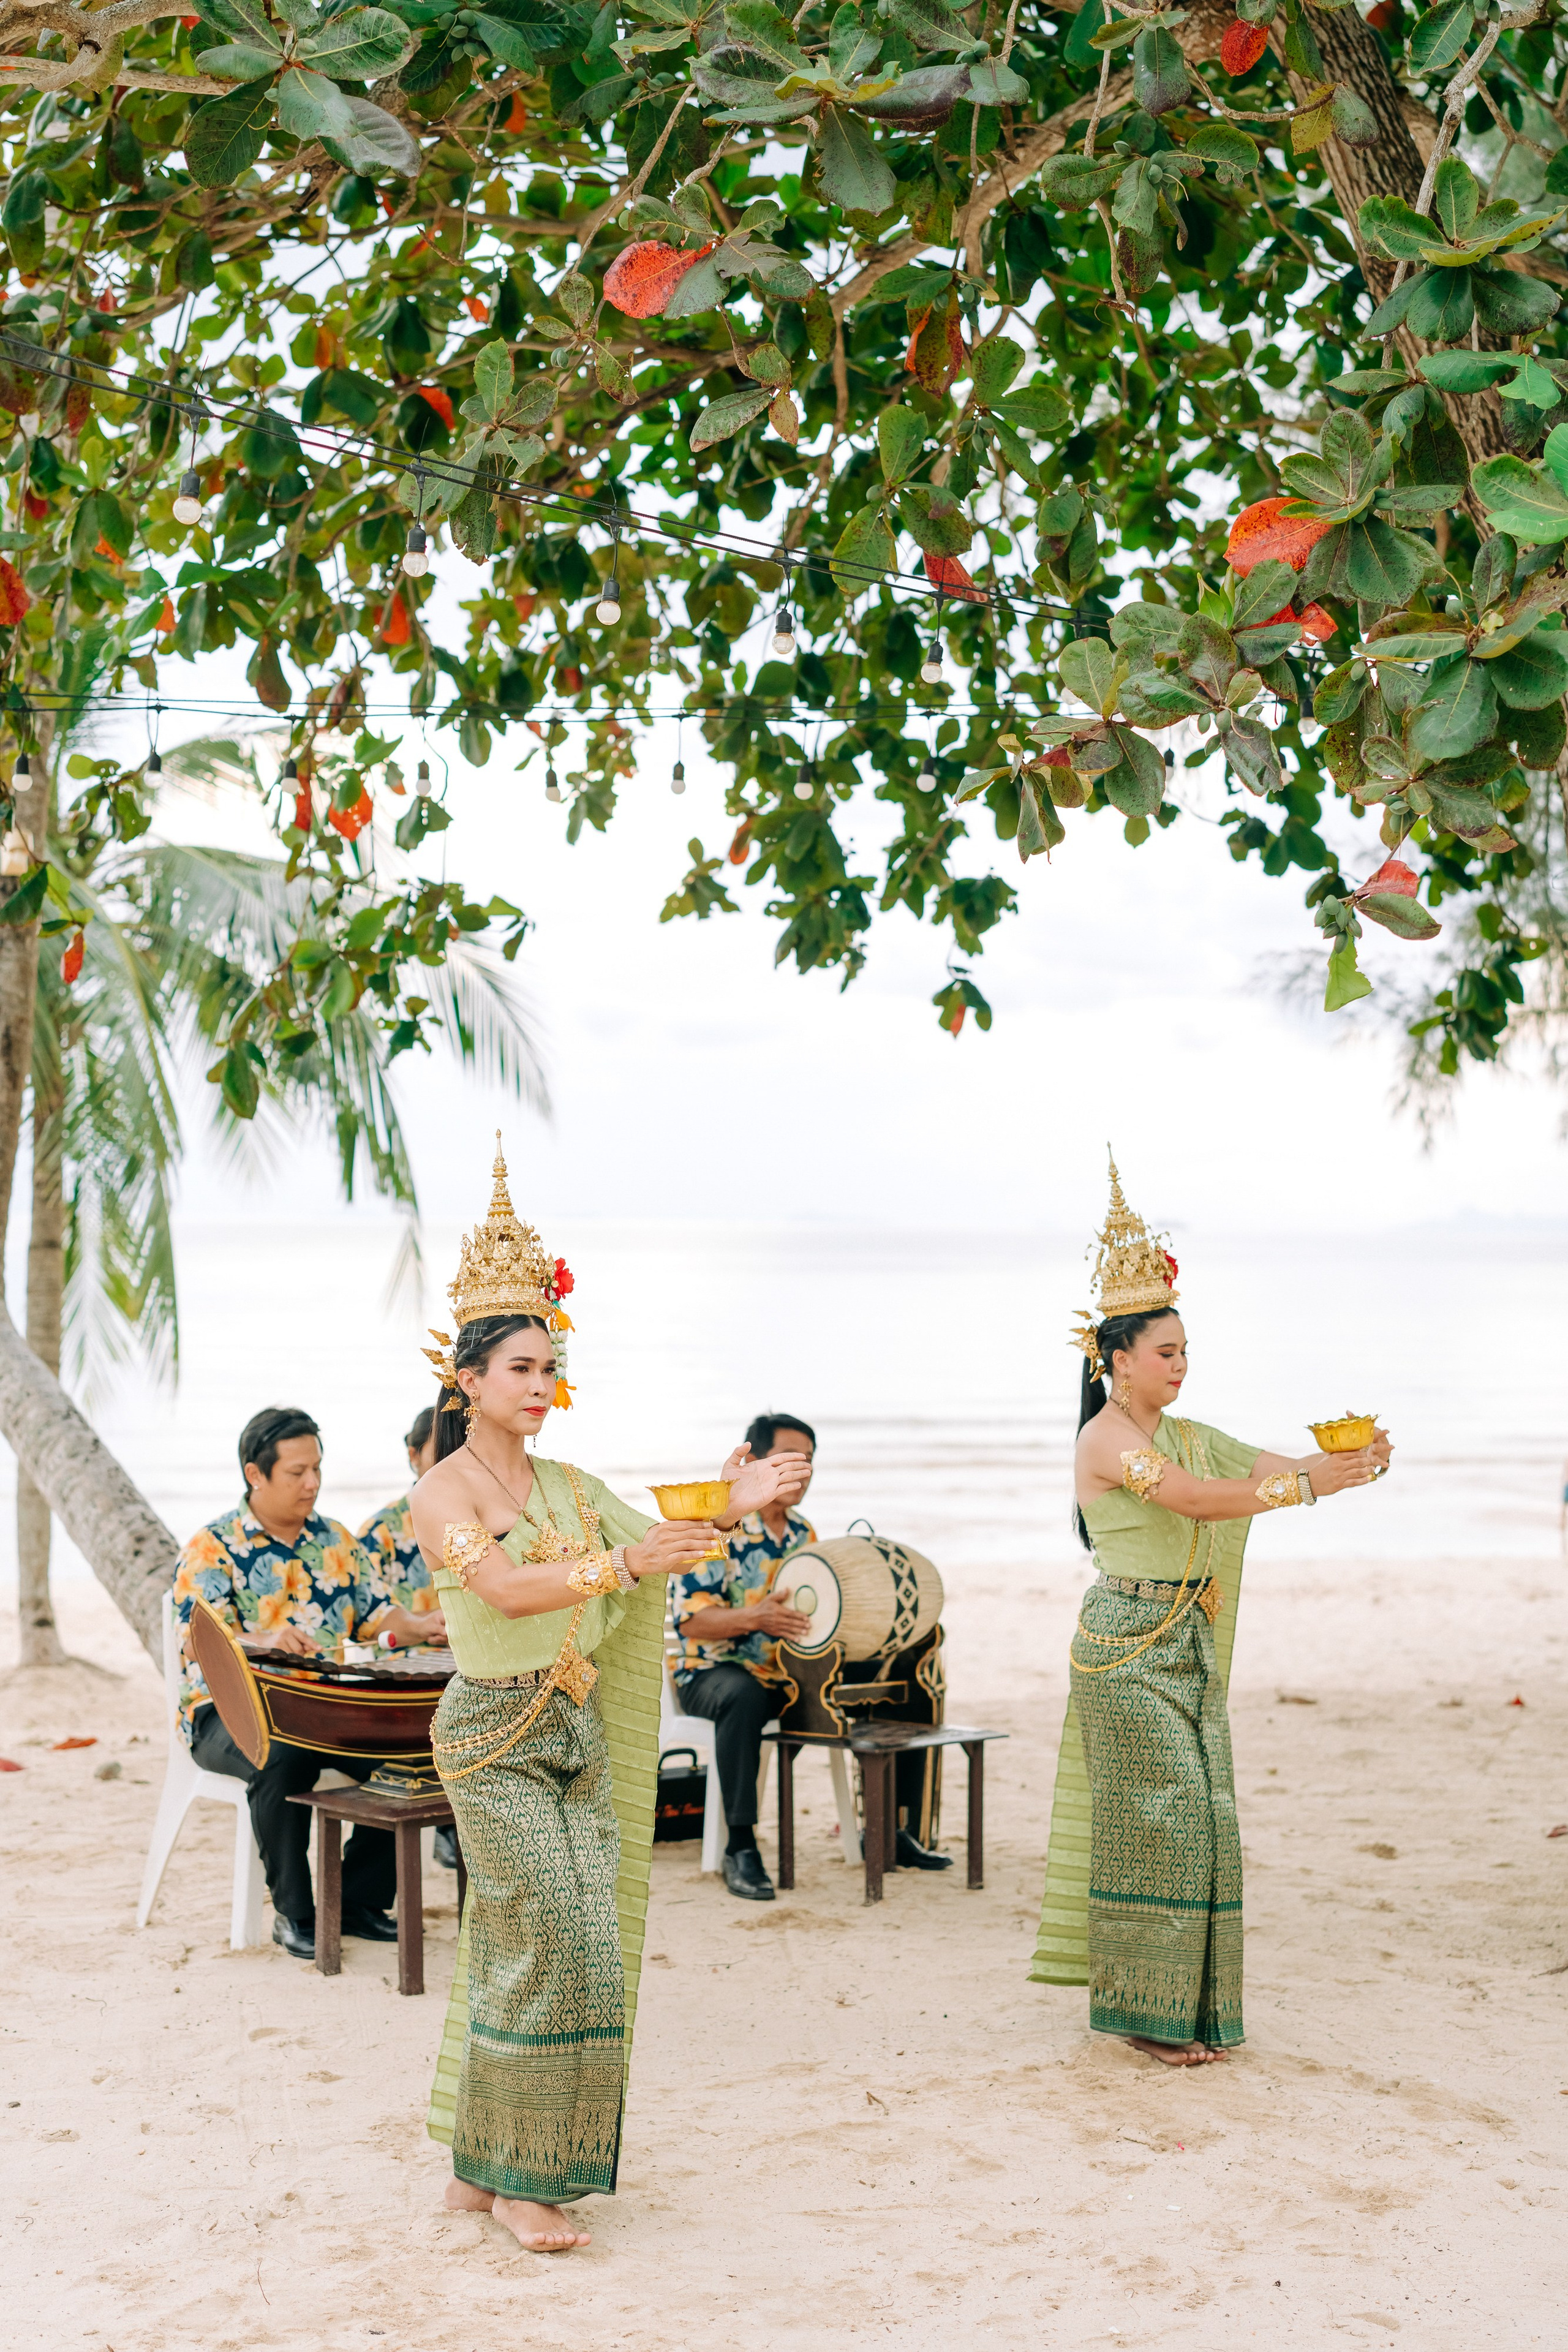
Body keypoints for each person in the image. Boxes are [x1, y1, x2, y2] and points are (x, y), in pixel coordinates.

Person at [417, 1139, 810, 2254]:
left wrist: (732, 1501)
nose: (541, 1388)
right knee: (553, 1938)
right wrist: (617, 1569)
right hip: (494, 1737)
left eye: (550, 1368)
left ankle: (481, 2167)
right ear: (468, 1380)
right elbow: (499, 1583)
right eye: (520, 1370)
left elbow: (657, 1542)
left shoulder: (572, 1485)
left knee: (558, 1941)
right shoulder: (441, 1490)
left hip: (577, 1729)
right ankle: (525, 2185)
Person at [1028, 1155, 1392, 2065]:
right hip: (1122, 1649)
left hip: (1181, 1640)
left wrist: (1340, 1467)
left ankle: (1183, 2010)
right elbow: (1192, 1500)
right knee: (1162, 1819)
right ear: (1116, 1359)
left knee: (1205, 1819)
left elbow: (1253, 1466)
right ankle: (1143, 2016)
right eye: (1166, 1351)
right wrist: (1307, 1490)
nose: (1182, 1365)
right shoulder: (1108, 1439)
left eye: (1185, 1350)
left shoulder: (1184, 1431)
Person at [173, 1405, 447, 1960]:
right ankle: (296, 1913)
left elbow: (375, 1614)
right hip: (227, 1711)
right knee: (281, 1757)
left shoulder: (337, 1541)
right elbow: (194, 1640)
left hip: (324, 1709)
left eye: (317, 1469)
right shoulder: (213, 1546)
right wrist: (262, 1638)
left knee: (413, 1760)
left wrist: (418, 1625)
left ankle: (358, 1901)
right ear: (256, 1474)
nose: (313, 1483)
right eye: (297, 1472)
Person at [669, 1411, 818, 1901]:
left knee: (886, 1676)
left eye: (808, 1461)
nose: (801, 1470)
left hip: (782, 1677)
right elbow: (692, 1621)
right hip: (707, 1676)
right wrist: (757, 1618)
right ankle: (742, 1846)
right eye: (787, 1460)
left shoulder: (804, 1535)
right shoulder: (718, 1523)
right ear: (753, 1462)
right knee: (744, 1694)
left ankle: (892, 1830)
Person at [360, 1406, 459, 1871]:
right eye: (437, 1454)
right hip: (408, 1674)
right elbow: (367, 1627)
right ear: (413, 1455)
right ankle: (450, 1827)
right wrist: (422, 1625)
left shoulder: (480, 1516)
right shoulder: (378, 1534)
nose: (448, 1464)